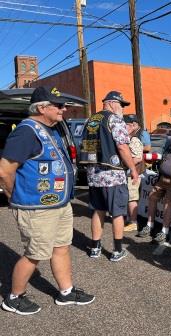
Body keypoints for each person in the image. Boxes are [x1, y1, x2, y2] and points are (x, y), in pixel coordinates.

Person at [0, 86, 95, 315]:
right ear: (42, 108)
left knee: (61, 247)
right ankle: (14, 297)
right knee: (36, 253)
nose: (64, 109)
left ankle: (66, 291)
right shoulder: (26, 132)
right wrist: (15, 196)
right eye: (59, 105)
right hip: (37, 207)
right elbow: (4, 171)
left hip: (59, 204)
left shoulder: (51, 130)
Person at [80, 90, 138, 262]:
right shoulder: (114, 119)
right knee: (117, 212)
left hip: (93, 174)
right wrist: (133, 169)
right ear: (112, 103)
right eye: (121, 104)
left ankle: (95, 247)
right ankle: (117, 250)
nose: (122, 108)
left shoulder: (90, 120)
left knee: (98, 211)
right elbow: (122, 147)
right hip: (112, 173)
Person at [123, 115, 144, 232]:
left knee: (132, 198)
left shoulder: (134, 140)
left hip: (133, 173)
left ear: (131, 125)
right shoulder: (128, 138)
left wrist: (125, 165)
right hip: (128, 173)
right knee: (128, 197)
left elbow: (137, 158)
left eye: (125, 124)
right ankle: (128, 219)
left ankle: (133, 222)